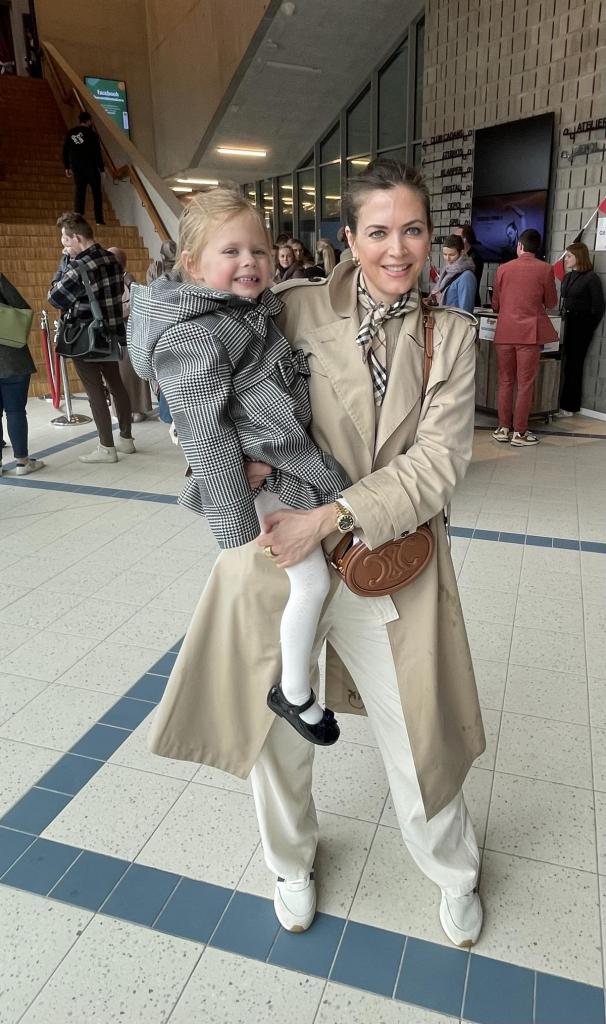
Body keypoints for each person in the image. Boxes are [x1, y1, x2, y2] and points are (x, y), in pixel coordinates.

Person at [141, 160, 486, 948]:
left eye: (412, 230)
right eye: (378, 231)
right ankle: (289, 862)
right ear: (349, 239)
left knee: (417, 729)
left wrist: (330, 515)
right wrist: (226, 460)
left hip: (386, 557)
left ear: (429, 237)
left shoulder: (452, 336)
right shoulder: (290, 307)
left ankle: (453, 870)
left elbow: (439, 463)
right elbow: (193, 381)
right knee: (279, 735)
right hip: (276, 555)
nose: (397, 248)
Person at [128, 188, 351, 743]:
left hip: (278, 457)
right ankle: (293, 692)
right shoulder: (195, 333)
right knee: (309, 582)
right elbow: (205, 432)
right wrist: (235, 523)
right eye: (230, 252)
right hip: (261, 473)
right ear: (193, 265)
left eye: (259, 249)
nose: (249, 261)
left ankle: (295, 681)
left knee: (314, 573)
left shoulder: (245, 310)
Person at [48, 212, 135, 464]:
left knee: (95, 391)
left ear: (76, 237)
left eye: (65, 240)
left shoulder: (77, 267)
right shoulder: (111, 259)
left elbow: (54, 298)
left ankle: (106, 447)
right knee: (116, 384)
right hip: (111, 333)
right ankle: (126, 439)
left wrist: (64, 263)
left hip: (85, 337)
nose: (64, 245)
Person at [491, 228, 558, 447]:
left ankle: (503, 428)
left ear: (519, 246)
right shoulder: (546, 269)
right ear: (536, 248)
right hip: (529, 335)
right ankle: (519, 433)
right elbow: (551, 303)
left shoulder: (503, 268)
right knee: (525, 384)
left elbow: (495, 304)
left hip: (504, 332)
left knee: (505, 380)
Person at [0, 274, 45, 477]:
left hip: (11, 360)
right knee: (15, 411)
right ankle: (22, 462)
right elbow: (22, 309)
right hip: (12, 358)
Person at [557, 242, 605, 416]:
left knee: (574, 366)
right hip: (566, 323)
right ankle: (558, 403)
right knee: (563, 364)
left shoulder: (591, 278)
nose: (566, 259)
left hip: (580, 327)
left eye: (569, 256)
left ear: (579, 257)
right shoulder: (568, 277)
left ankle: (570, 406)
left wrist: (587, 328)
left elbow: (598, 308)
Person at [107, 247, 153, 422]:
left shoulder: (127, 279)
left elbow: (133, 304)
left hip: (127, 331)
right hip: (123, 332)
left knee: (127, 372)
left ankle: (132, 409)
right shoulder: (118, 279)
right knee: (123, 372)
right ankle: (128, 409)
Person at [62, 112, 105, 225]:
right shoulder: (93, 134)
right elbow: (97, 153)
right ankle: (99, 220)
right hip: (91, 168)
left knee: (80, 192)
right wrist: (102, 169)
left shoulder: (71, 133)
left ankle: (78, 218)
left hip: (77, 168)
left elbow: (65, 151)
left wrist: (67, 167)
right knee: (97, 193)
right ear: (89, 121)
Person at [430, 234, 476, 314]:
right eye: (445, 254)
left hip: (455, 320)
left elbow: (466, 312)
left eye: (452, 255)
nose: (447, 258)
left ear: (461, 252)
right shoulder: (446, 270)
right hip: (444, 318)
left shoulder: (467, 277)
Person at [453, 224, 484, 306]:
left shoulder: (475, 258)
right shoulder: (459, 255)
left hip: (470, 302)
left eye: (456, 238)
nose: (453, 240)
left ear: (465, 239)